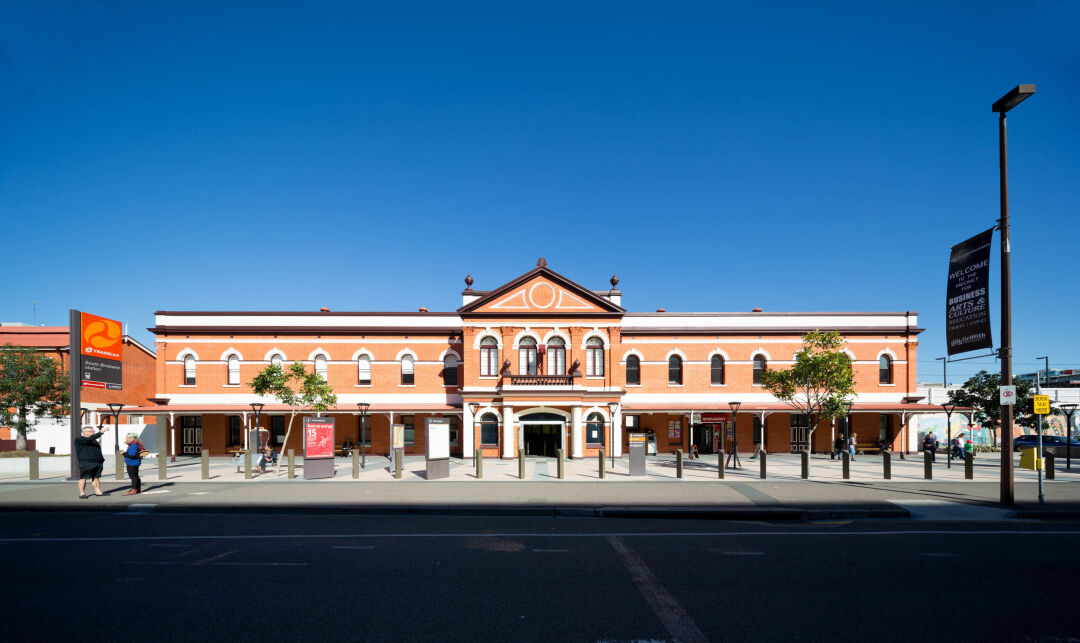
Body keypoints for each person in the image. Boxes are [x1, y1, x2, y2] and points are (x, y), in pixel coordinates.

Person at [74, 425, 109, 499]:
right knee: (83, 477)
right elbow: (88, 440)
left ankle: (98, 492)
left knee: (96, 477)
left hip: (97, 462)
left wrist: (101, 459)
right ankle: (82, 493)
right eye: (91, 431)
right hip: (86, 462)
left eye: (93, 431)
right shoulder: (80, 439)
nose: (93, 432)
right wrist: (101, 432)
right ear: (84, 432)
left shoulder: (94, 440)